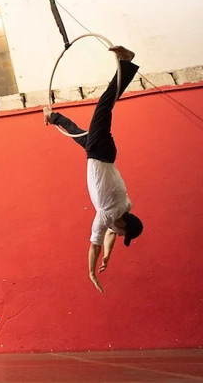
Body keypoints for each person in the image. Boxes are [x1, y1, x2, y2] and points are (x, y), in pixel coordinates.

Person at [43, 46, 143, 293]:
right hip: (102, 153)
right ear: (122, 224)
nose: (118, 235)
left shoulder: (114, 213)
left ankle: (51, 116)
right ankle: (126, 64)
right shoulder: (113, 210)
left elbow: (105, 238)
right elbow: (102, 239)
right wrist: (96, 263)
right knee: (104, 105)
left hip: (97, 154)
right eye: (122, 234)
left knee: (77, 132)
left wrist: (103, 261)